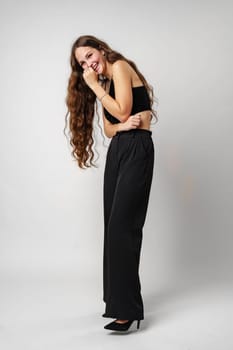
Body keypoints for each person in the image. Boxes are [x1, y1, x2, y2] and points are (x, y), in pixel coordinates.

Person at [64, 35, 158, 332]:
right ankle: (118, 303)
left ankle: (129, 310)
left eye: (90, 55)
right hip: (118, 151)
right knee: (112, 225)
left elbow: (122, 112)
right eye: (82, 63)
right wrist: (120, 123)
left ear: (101, 50)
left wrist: (117, 117)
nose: (89, 64)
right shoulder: (104, 84)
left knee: (123, 226)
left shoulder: (118, 67)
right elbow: (109, 127)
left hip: (136, 148)